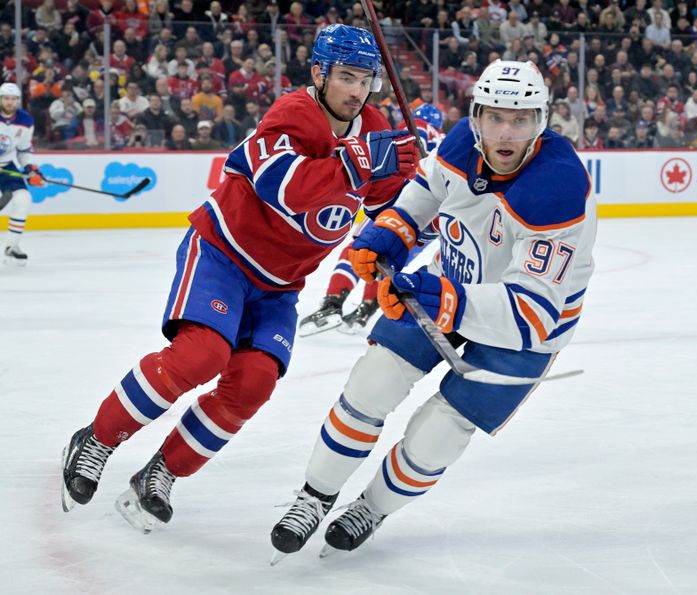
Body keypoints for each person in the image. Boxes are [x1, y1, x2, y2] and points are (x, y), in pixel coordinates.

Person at [59, 24, 417, 534]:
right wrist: (362, 162)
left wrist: (412, 188)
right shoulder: (294, 113)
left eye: (365, 79)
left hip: (280, 284)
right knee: (200, 355)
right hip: (224, 254)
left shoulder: (377, 128)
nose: (356, 91)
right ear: (319, 73)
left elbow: (384, 208)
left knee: (252, 383)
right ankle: (96, 439)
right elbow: (283, 187)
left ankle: (161, 473)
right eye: (345, 77)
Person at [270, 60, 596, 560]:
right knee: (371, 381)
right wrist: (388, 236)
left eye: (521, 119)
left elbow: (531, 314)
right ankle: (314, 497)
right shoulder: (462, 142)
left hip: (521, 330)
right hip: (452, 281)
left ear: (542, 121)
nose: (506, 133)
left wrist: (443, 299)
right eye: (494, 118)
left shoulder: (557, 189)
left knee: (440, 433)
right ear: (476, 115)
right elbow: (423, 196)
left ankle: (371, 508)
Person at [298, 103, 446, 336]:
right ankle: (365, 312)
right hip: (433, 215)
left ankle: (332, 304)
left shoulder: (413, 126)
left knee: (359, 250)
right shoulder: (445, 141)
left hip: (406, 202)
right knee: (390, 262)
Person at [0, 83, 44, 265]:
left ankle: (12, 246)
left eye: (14, 99)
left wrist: (31, 169)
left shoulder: (25, 120)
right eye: (6, 98)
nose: (10, 102)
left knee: (23, 198)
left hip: (6, 167)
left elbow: (24, 149)